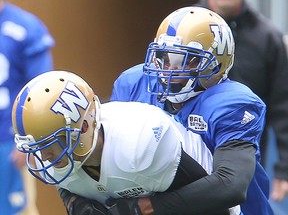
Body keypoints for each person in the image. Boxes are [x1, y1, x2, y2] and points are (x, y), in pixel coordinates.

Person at [108, 6, 273, 215]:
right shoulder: (133, 84)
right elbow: (106, 151)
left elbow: (231, 183)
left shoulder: (232, 103)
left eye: (183, 60)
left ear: (215, 63)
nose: (169, 69)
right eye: (164, 58)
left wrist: (147, 208)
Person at [12, 70, 237, 215]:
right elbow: (70, 184)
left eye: (49, 144)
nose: (45, 157)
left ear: (82, 128)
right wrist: (75, 205)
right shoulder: (62, 158)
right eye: (37, 148)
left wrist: (144, 208)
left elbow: (216, 202)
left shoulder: (141, 142)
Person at [195, 0, 288, 202]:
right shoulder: (184, 27)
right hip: (189, 156)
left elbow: (283, 107)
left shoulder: (268, 36)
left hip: (246, 163)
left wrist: (284, 168)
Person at [0, 0, 54, 214]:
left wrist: (28, 138)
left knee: (16, 210)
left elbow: (41, 91)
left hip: (7, 140)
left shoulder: (25, 27)